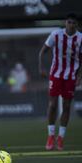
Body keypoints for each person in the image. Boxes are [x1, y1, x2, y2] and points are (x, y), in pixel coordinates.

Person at [38, 13, 82, 151]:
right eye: (69, 22)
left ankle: (61, 137)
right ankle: (50, 135)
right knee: (52, 105)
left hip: (70, 76)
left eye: (73, 23)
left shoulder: (81, 38)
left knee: (67, 106)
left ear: (77, 25)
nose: (71, 25)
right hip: (55, 75)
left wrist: (80, 75)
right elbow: (42, 51)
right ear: (65, 23)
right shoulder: (55, 35)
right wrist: (41, 68)